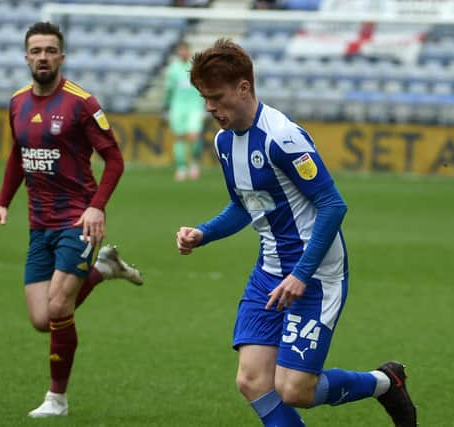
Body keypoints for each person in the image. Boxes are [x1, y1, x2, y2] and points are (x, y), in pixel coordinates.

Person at [175, 38, 417, 427]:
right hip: (270, 273)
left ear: (244, 87)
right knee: (252, 381)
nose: (209, 108)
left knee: (294, 391)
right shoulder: (224, 142)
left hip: (315, 274)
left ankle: (386, 383)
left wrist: (301, 274)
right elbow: (246, 206)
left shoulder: (282, 137)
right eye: (204, 98)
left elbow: (333, 204)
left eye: (216, 97)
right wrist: (203, 233)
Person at [0, 21, 143, 418]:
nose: (43, 57)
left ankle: (57, 398)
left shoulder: (81, 103)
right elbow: (17, 155)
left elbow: (115, 160)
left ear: (62, 56)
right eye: (36, 50)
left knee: (59, 307)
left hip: (79, 221)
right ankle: (104, 269)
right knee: (42, 319)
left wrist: (97, 206)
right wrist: (2, 202)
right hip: (39, 224)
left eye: (50, 50)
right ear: (26, 57)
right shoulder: (17, 102)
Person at [164, 40, 206, 181]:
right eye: (180, 50)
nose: (183, 53)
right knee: (180, 137)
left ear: (188, 51)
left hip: (194, 106)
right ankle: (181, 167)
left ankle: (194, 163)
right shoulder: (173, 69)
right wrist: (167, 104)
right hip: (177, 107)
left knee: (194, 135)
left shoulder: (196, 68)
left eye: (185, 50)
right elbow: (169, 90)